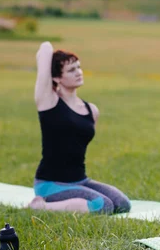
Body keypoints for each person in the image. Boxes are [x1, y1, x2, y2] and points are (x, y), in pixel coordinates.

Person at [28, 42, 131, 214]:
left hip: (80, 180)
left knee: (122, 204)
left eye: (79, 67)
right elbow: (45, 49)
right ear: (56, 78)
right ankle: (40, 206)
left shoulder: (92, 110)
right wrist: (54, 57)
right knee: (102, 205)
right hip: (51, 184)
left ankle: (72, 198)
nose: (78, 72)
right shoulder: (48, 102)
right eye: (71, 70)